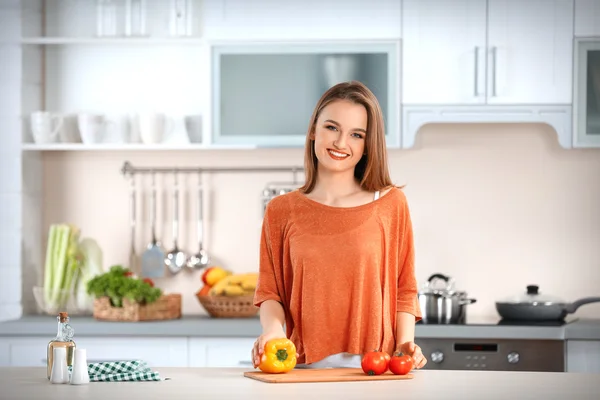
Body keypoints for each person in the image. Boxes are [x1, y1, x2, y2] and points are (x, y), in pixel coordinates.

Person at [251, 80, 427, 370]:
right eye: (332, 128)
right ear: (313, 130)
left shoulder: (391, 204)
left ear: (368, 145)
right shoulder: (280, 210)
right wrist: (272, 330)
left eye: (356, 135)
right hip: (301, 369)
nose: (341, 143)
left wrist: (404, 343)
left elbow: (404, 289)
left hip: (374, 369)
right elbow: (270, 292)